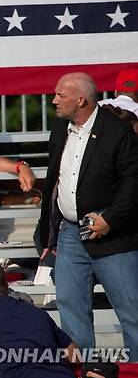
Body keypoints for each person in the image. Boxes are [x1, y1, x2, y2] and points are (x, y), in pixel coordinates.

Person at [38, 72, 138, 361]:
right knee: (70, 307)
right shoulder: (59, 129)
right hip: (70, 234)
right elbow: (56, 179)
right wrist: (47, 232)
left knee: (131, 311)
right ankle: (83, 376)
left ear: (80, 99)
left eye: (60, 95)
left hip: (113, 236)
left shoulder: (117, 131)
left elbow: (133, 180)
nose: (54, 100)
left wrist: (111, 219)